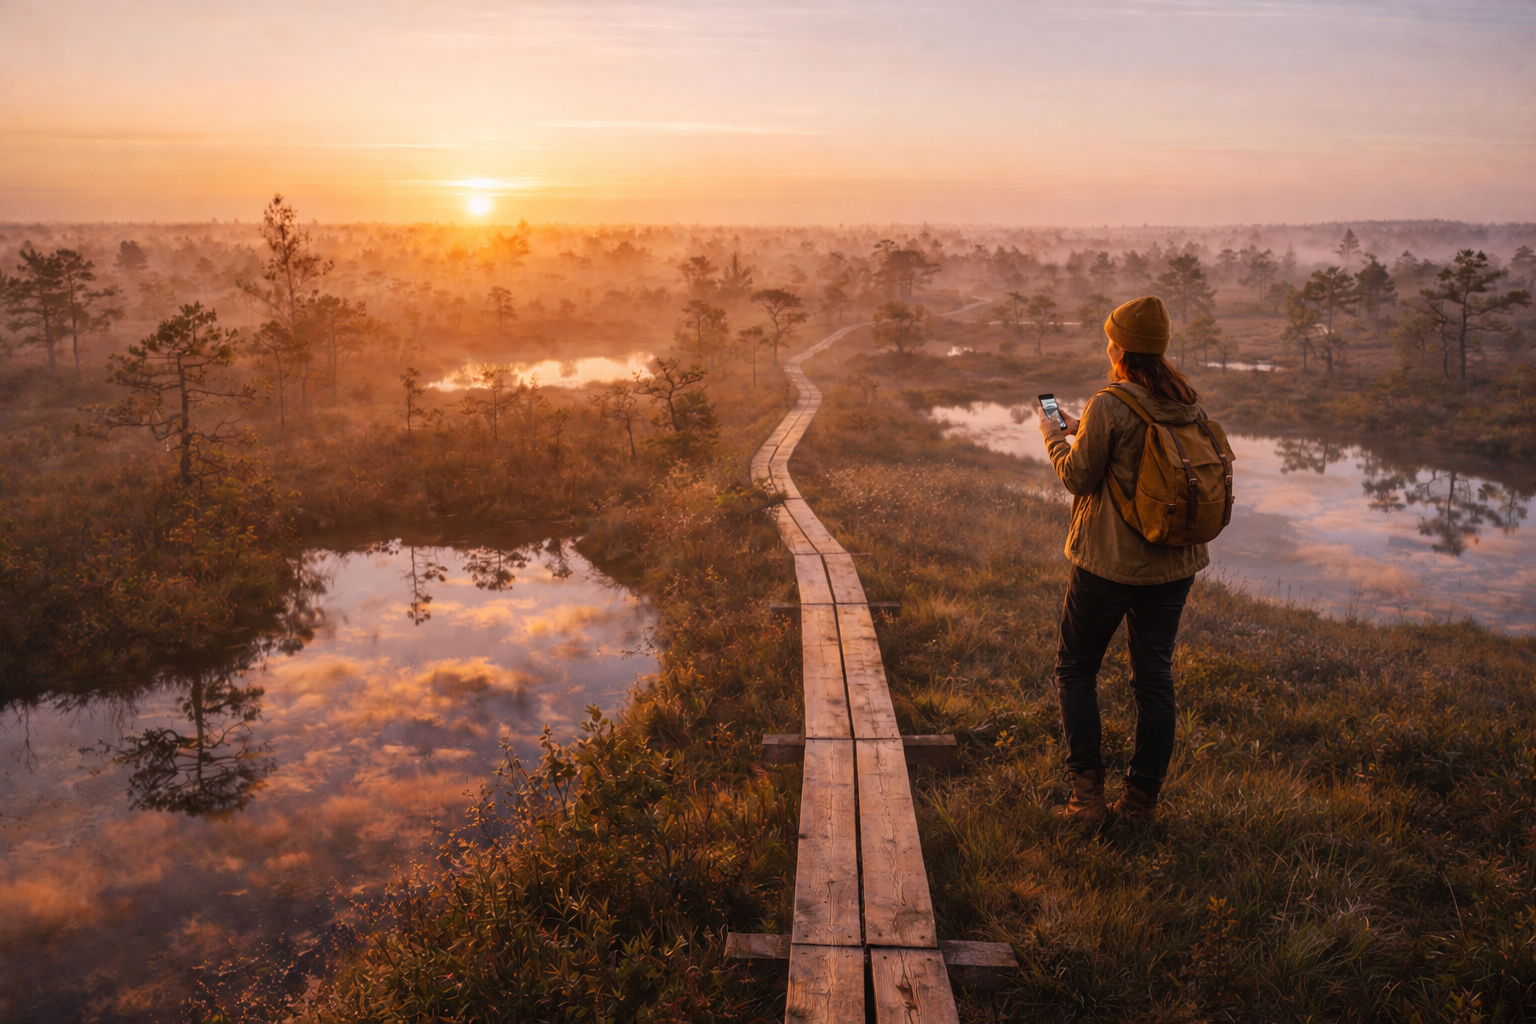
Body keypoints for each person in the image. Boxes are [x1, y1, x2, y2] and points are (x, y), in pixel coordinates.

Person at [1036, 295, 1214, 826]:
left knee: (1076, 668)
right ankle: (1140, 804)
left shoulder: (1111, 403)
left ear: (1119, 347)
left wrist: (1052, 433)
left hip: (1108, 565)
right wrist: (1081, 424)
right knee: (1154, 679)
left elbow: (1076, 476)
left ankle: (1086, 801)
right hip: (1173, 567)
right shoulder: (1187, 401)